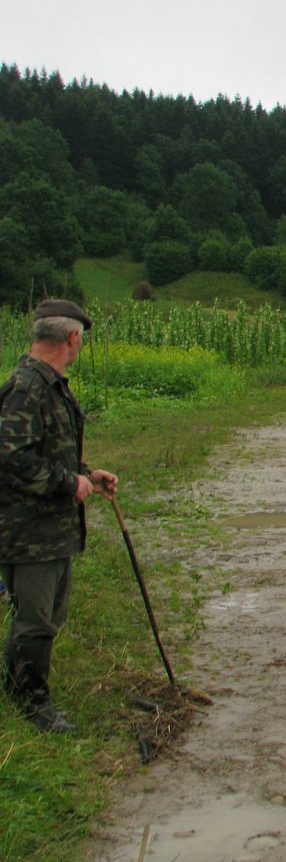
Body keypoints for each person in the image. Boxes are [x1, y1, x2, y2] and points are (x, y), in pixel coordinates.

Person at [0, 299, 117, 733]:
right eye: (80, 340)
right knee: (35, 619)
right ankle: (32, 704)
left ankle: (19, 690)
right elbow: (11, 456)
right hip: (29, 531)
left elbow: (48, 451)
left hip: (47, 528)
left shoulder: (48, 385)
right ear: (73, 338)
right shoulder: (29, 387)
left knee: (43, 616)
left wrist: (88, 475)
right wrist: (67, 484)